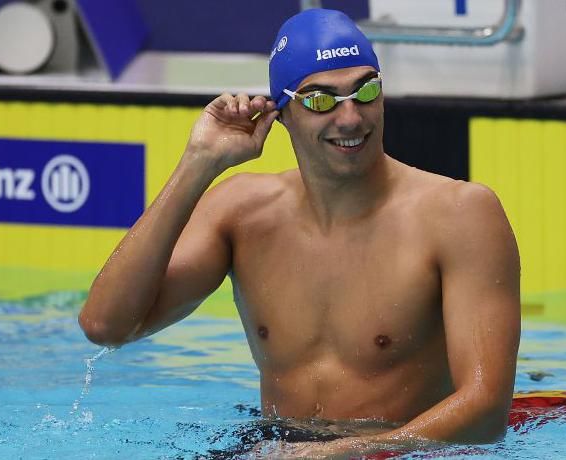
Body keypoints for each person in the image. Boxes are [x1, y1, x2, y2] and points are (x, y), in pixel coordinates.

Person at [78, 8, 520, 457]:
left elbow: (486, 411)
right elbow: (106, 325)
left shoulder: (459, 215)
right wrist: (199, 165)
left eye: (365, 91)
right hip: (276, 447)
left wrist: (346, 452)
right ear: (282, 112)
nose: (350, 118)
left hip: (399, 452)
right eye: (321, 100)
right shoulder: (242, 212)